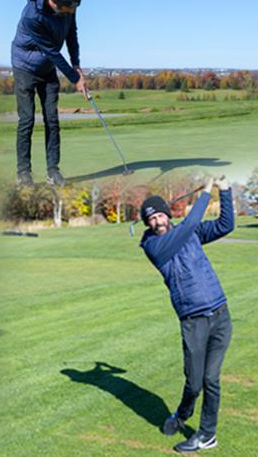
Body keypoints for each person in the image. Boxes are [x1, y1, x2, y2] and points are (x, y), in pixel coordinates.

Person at [139, 177, 233, 453]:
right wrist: (205, 192)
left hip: (220, 315)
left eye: (159, 214)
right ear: (147, 224)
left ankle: (207, 435)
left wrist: (224, 190)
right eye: (151, 218)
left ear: (167, 215)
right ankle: (182, 414)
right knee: (194, 382)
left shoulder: (190, 233)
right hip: (193, 322)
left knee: (211, 380)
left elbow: (226, 225)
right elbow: (190, 223)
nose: (157, 221)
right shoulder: (153, 248)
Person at [11, 0, 87, 187]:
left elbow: (72, 35)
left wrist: (77, 65)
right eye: (70, 9)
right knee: (27, 120)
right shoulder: (32, 16)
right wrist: (74, 79)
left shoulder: (70, 5)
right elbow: (52, 51)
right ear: (56, 3)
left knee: (52, 119)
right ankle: (23, 173)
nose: (72, 12)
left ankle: (53, 171)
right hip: (25, 67)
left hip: (47, 67)